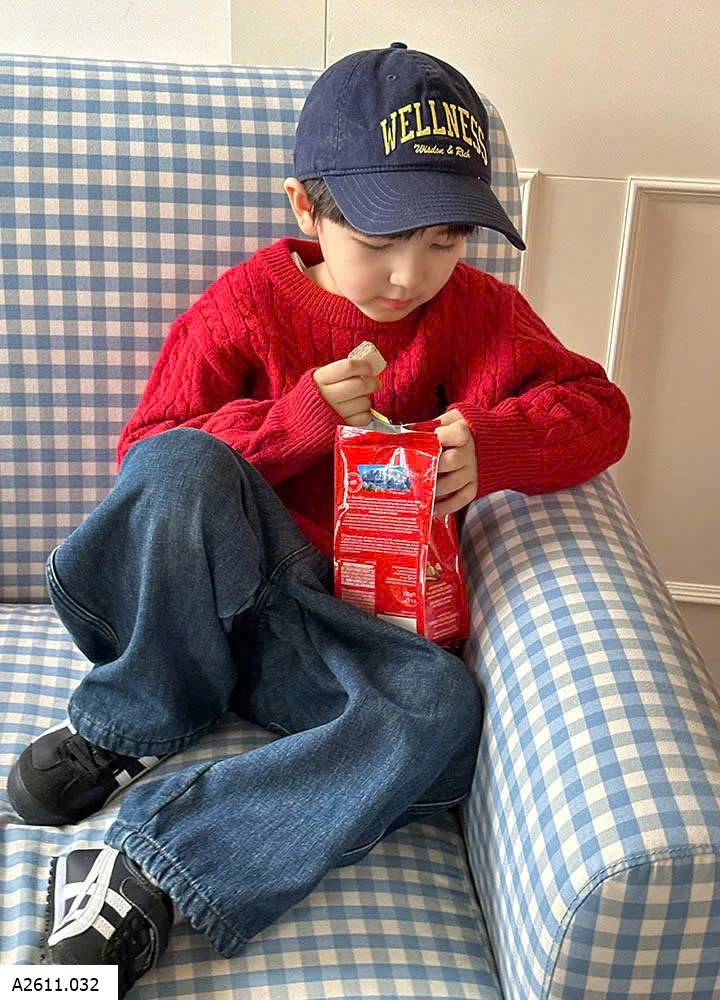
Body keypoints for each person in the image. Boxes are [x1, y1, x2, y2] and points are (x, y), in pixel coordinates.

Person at [7, 42, 630, 995]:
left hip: (339, 648)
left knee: (444, 709)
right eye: (379, 239)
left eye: (444, 240)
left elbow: (600, 410)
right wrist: (294, 423)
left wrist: (494, 447)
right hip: (203, 609)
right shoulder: (248, 305)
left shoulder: (482, 316)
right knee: (185, 462)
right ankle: (133, 721)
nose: (409, 275)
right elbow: (149, 460)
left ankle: (144, 878)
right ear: (306, 207)